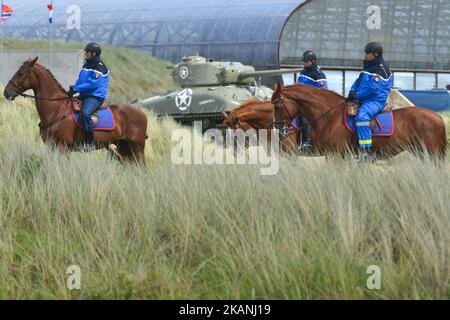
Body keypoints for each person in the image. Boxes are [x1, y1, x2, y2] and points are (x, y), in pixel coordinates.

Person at [347, 42, 393, 161]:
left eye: (368, 53)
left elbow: (372, 89)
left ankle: (365, 151)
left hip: (375, 101)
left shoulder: (381, 70)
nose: (365, 55)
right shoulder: (368, 66)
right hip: (362, 98)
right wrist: (352, 92)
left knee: (361, 117)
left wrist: (356, 96)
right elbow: (358, 81)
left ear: (376, 54)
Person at [68, 42, 110, 152]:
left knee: (85, 113)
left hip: (95, 97)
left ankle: (89, 143)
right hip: (84, 94)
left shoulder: (100, 67)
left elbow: (93, 84)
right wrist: (74, 88)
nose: (85, 53)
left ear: (93, 53)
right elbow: (80, 80)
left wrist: (77, 89)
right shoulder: (86, 65)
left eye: (87, 52)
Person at [295, 50, 328, 152]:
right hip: (301, 101)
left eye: (306, 61)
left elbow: (323, 93)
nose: (304, 63)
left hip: (313, 105)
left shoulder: (319, 75)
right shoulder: (302, 73)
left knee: (304, 116)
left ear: (313, 61)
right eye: (304, 61)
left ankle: (307, 142)